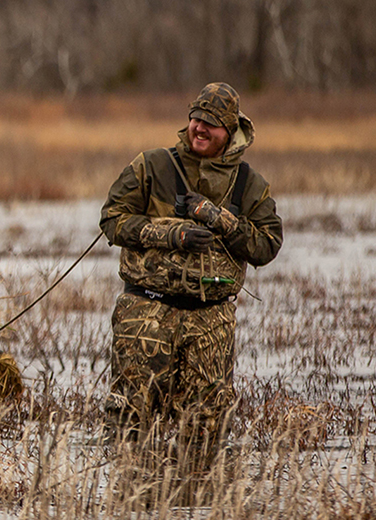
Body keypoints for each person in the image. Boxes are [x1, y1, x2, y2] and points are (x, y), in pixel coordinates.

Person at [99, 83, 283, 455]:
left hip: (211, 320)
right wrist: (170, 235)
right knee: (129, 427)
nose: (200, 128)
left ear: (229, 131)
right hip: (145, 313)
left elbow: (267, 246)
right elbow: (111, 221)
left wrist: (221, 220)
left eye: (211, 123)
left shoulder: (249, 185)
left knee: (206, 431)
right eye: (196, 118)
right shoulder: (151, 165)